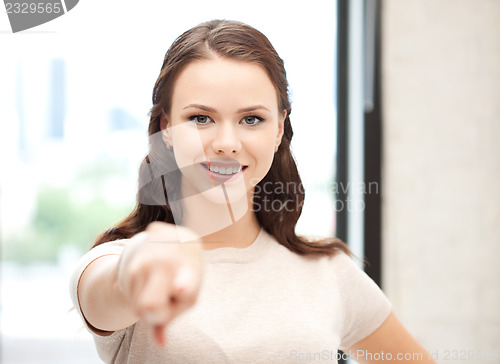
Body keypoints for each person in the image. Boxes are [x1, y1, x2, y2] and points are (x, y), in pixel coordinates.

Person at [70, 19, 435, 363]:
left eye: (251, 119)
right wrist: (134, 274)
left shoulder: (328, 272)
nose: (227, 143)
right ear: (166, 128)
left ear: (278, 129)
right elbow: (109, 291)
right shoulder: (114, 262)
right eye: (200, 118)